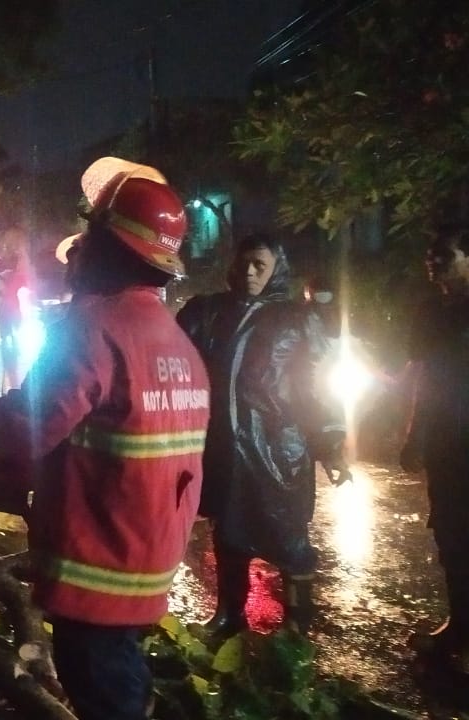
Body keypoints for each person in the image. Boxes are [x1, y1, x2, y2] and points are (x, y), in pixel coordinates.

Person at [0, 169, 210, 719]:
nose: (70, 260)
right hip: (147, 566)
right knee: (121, 680)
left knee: (104, 692)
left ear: (104, 248)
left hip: (98, 572)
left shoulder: (90, 330)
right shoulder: (178, 345)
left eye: (85, 242)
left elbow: (31, 426)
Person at [176, 233, 349, 637]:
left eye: (261, 265)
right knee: (229, 531)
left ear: (276, 269)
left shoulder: (296, 318)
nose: (251, 272)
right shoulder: (207, 311)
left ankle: (296, 625)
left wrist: (332, 444)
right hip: (223, 444)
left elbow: (316, 384)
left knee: (288, 536)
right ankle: (229, 615)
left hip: (278, 447)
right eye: (245, 263)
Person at [400, 223, 469, 672]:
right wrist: (414, 435)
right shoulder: (432, 312)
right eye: (431, 256)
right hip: (447, 439)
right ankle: (459, 627)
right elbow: (423, 380)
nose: (434, 262)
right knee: (450, 534)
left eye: (445, 254)